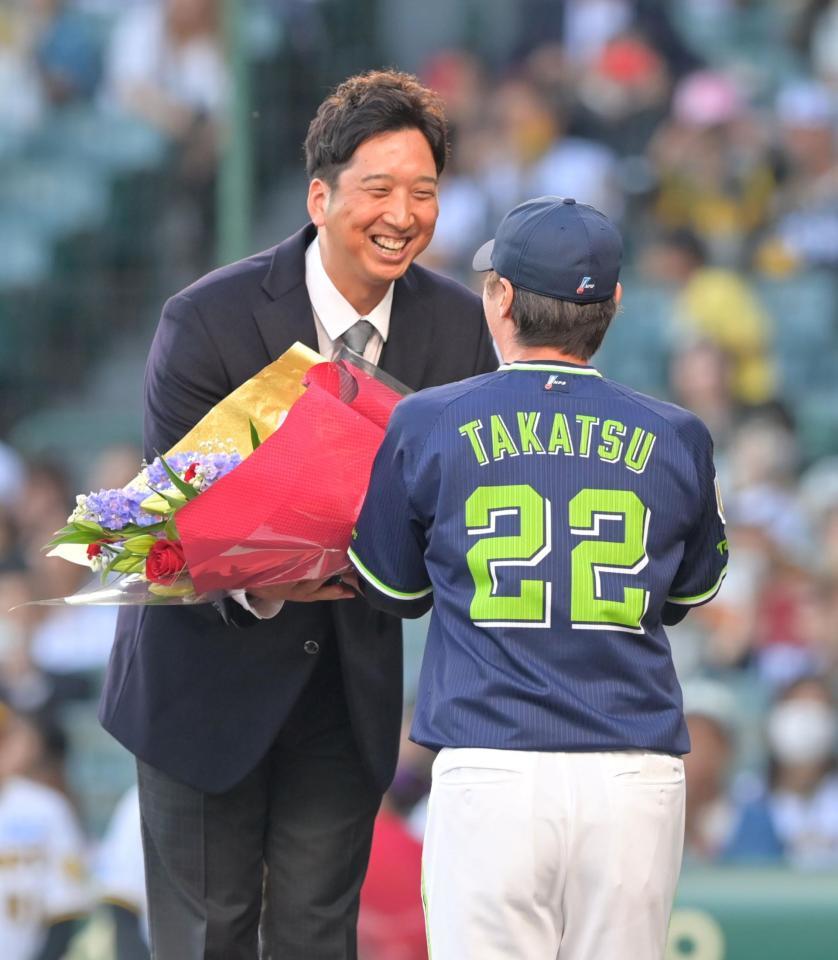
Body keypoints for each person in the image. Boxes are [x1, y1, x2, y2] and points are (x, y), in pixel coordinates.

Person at [99, 68, 497, 960]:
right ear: (320, 196)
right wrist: (278, 577)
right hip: (197, 683)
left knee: (319, 937)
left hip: (344, 686)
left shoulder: (462, 333)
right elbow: (176, 511)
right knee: (210, 937)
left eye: (424, 192)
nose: (403, 214)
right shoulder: (205, 320)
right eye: (379, 190)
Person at [348, 195, 729, 959]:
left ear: (501, 297)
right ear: (614, 304)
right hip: (632, 770)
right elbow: (688, 596)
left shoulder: (427, 419)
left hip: (491, 764)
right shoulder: (678, 434)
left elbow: (392, 590)